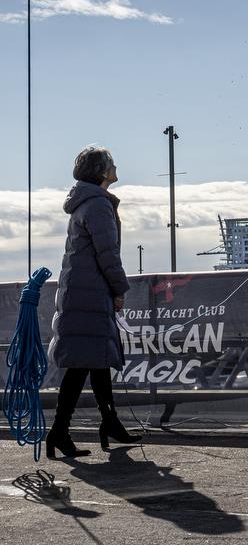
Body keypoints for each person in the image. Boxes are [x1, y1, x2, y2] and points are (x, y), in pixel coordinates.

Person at [46, 146, 140, 458]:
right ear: (102, 172)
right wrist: (119, 289)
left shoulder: (85, 204)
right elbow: (107, 253)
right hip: (91, 293)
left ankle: (109, 422)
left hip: (81, 291)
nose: (115, 167)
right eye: (111, 163)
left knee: (95, 359)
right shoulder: (98, 206)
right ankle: (59, 431)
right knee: (83, 364)